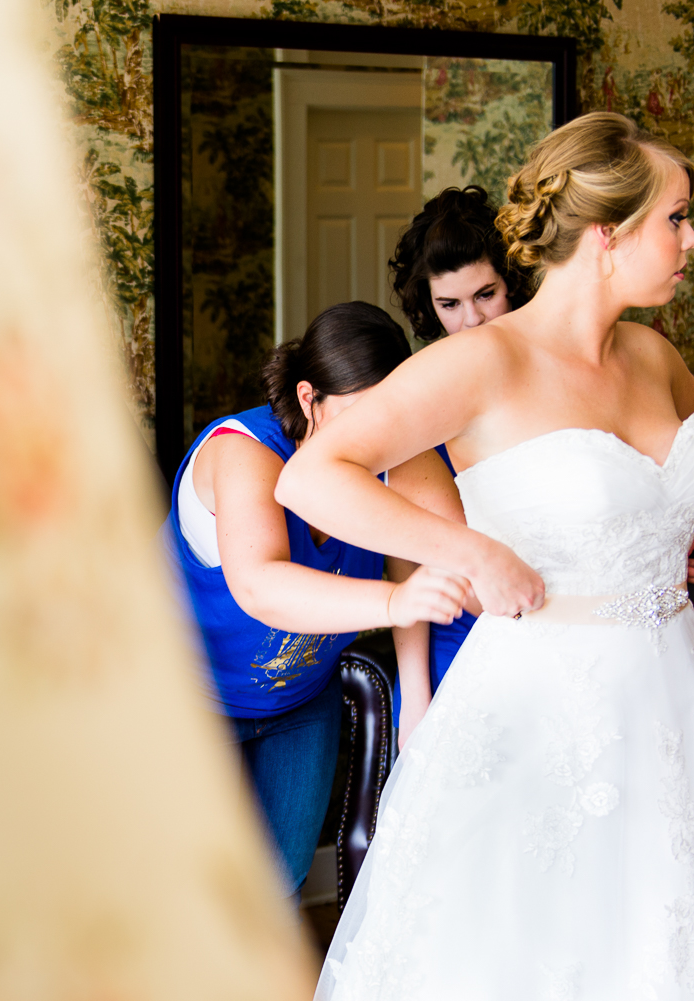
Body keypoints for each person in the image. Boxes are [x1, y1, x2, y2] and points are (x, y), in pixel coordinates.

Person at [277, 112, 694, 998]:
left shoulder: (650, 354)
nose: (693, 240)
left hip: (675, 704)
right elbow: (313, 477)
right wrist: (464, 550)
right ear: (609, 236)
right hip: (539, 709)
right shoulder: (482, 363)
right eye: (677, 219)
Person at [164, 301, 471, 897]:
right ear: (309, 399)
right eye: (358, 415)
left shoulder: (394, 453)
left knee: (280, 884)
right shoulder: (243, 452)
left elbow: (426, 555)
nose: (375, 437)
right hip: (186, 697)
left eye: (391, 417)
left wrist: (416, 701)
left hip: (300, 701)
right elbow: (261, 585)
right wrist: (392, 603)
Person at [385, 187, 533, 745]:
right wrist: (416, 690)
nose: (472, 320)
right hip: (458, 633)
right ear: (428, 305)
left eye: (486, 294)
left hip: (555, 614)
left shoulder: (554, 368)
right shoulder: (424, 392)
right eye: (450, 305)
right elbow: (407, 553)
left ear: (513, 282)